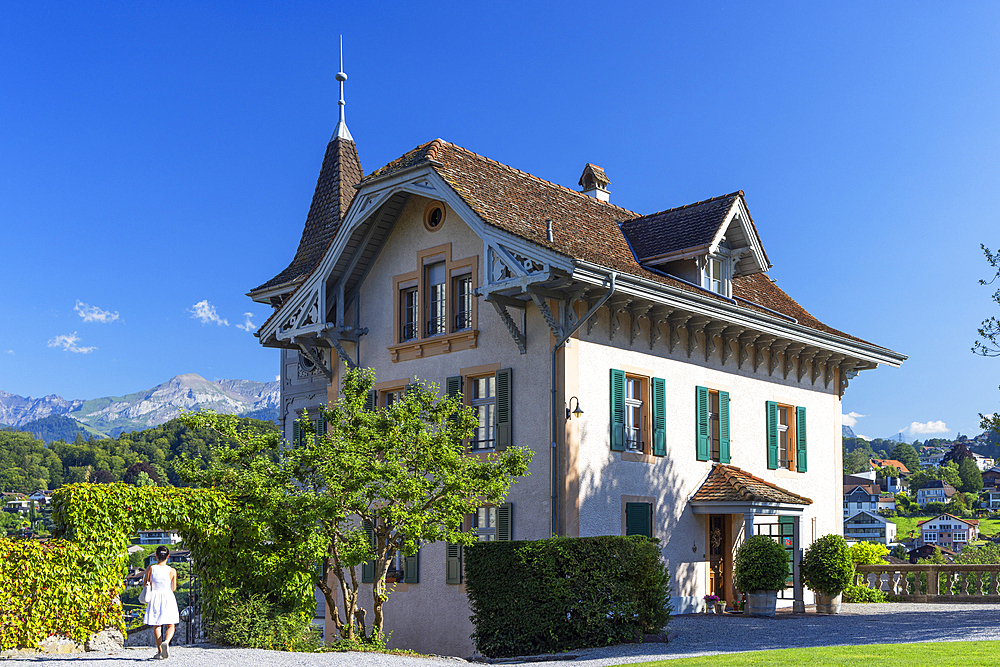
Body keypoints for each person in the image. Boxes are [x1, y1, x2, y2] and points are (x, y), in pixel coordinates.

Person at [142, 545, 180, 660]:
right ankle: (166, 642)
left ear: (156, 556)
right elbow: (173, 588)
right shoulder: (172, 571)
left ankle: (160, 652)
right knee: (171, 625)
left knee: (157, 626)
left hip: (155, 597)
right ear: (168, 557)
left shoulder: (151, 569)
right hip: (168, 597)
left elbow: (145, 585)